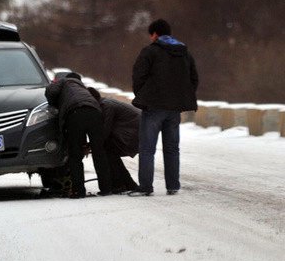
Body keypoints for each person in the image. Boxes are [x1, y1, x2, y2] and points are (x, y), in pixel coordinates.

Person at [129, 19, 199, 196]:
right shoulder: (184, 53)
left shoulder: (150, 52)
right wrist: (180, 98)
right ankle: (173, 185)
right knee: (172, 148)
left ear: (154, 34)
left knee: (147, 149)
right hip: (174, 109)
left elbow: (138, 76)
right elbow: (194, 79)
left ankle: (146, 186)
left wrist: (144, 95)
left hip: (153, 107)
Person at [45, 72, 113, 198]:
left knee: (75, 155)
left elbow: (50, 90)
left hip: (75, 113)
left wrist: (54, 104)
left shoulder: (64, 82)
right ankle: (106, 189)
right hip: (95, 113)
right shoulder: (83, 88)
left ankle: (78, 191)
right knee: (99, 152)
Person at [87, 87, 141, 193]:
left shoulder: (106, 105)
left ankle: (120, 184)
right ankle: (127, 183)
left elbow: (105, 129)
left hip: (135, 130)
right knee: (110, 151)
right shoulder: (104, 103)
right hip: (134, 129)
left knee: (108, 150)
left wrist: (92, 144)